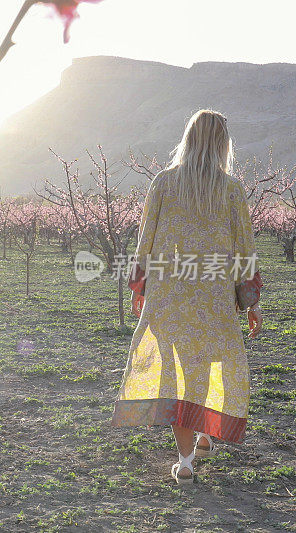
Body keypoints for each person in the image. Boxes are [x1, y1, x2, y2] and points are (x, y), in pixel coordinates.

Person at [111, 109, 263, 484]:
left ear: (188, 138)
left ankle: (187, 460)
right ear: (223, 144)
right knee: (204, 363)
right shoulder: (230, 189)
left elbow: (145, 239)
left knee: (174, 372)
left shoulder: (163, 182)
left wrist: (140, 286)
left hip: (168, 297)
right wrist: (251, 301)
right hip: (213, 299)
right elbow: (245, 249)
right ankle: (204, 434)